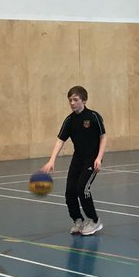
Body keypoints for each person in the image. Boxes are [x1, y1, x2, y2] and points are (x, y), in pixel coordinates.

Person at [43, 86, 107, 236]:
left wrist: (99, 158)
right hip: (78, 158)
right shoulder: (70, 120)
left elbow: (103, 137)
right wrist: (52, 160)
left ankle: (94, 220)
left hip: (92, 158)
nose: (72, 103)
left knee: (82, 188)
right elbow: (60, 140)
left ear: (84, 100)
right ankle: (78, 219)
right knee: (70, 191)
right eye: (70, 100)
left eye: (75, 100)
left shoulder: (93, 116)